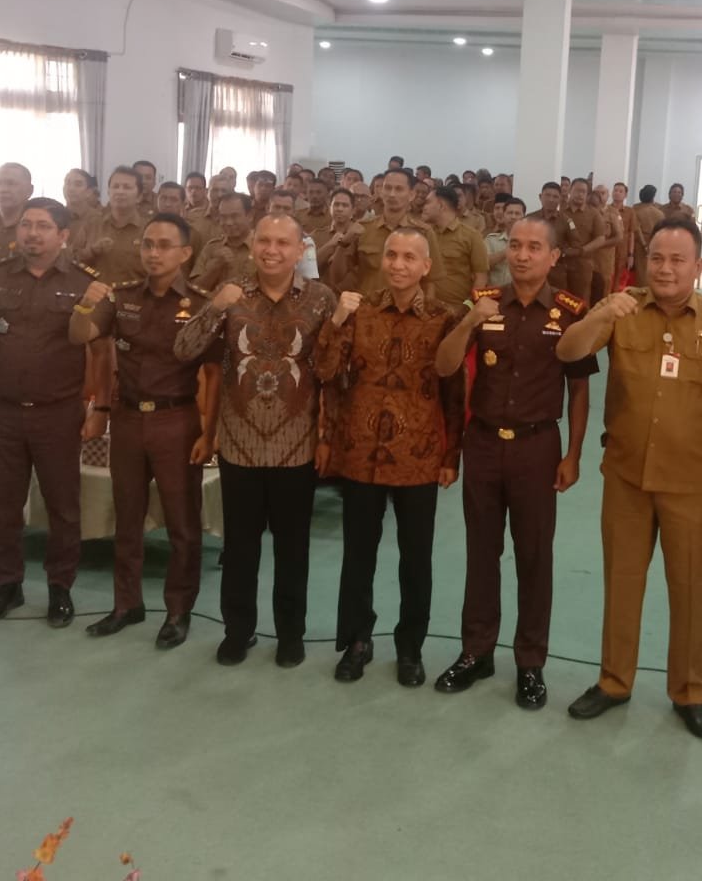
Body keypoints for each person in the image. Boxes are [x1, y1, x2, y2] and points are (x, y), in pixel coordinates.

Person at [559, 217, 702, 739]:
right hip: (626, 476)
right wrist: (601, 312)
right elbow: (568, 351)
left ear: (698, 265)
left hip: (693, 484)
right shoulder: (622, 311)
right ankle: (613, 682)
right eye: (657, 259)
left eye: (677, 260)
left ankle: (689, 692)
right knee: (621, 584)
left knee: (689, 589)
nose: (665, 269)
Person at [431, 216, 597, 710]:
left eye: (534, 248)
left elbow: (580, 389)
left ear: (553, 257)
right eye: (516, 246)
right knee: (481, 552)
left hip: (537, 447)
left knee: (534, 556)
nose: (522, 255)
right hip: (483, 443)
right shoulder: (483, 303)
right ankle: (476, 651)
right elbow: (444, 366)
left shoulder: (570, 312)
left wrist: (573, 454)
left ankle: (530, 662)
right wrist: (468, 321)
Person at [176, 213, 335, 665]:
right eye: (264, 240)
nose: (272, 250)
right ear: (251, 245)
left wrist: (327, 436)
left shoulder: (321, 299)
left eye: (283, 243)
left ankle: (290, 634)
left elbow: (332, 373)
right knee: (240, 549)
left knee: (293, 549)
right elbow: (184, 350)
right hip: (239, 444)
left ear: (300, 250)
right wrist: (215, 307)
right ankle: (238, 630)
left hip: (296, 446)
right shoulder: (232, 293)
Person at [0, 198, 105, 628]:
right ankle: (8, 585)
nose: (32, 233)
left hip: (58, 413)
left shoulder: (85, 282)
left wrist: (99, 408)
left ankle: (60, 588)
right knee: (4, 505)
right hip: (2, 412)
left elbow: (97, 348)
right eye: (27, 225)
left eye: (44, 226)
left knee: (63, 507)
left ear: (63, 235)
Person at [317, 228, 464, 686]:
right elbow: (325, 370)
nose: (398, 264)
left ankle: (410, 647)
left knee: (415, 559)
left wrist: (452, 454)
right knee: (358, 556)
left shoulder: (444, 318)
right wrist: (336, 319)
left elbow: (455, 393)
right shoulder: (360, 311)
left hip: (418, 456)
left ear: (426, 266)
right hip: (361, 453)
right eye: (391, 255)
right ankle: (357, 640)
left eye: (409, 257)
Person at [70, 213, 219, 648]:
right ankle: (126, 604)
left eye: (164, 245)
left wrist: (210, 432)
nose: (154, 253)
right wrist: (83, 304)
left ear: (185, 253)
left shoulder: (201, 303)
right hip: (129, 418)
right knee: (127, 517)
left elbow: (214, 374)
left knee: (182, 524)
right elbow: (81, 336)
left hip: (177, 420)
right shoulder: (121, 297)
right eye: (148, 244)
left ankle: (178, 611)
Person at [355, 167, 444, 298]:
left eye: (399, 189)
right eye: (387, 188)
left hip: (407, 307)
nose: (392, 194)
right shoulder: (362, 229)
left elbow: (430, 281)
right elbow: (342, 274)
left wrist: (426, 307)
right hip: (368, 305)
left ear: (411, 195)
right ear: (381, 192)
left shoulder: (423, 232)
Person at [70, 166, 146, 284]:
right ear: (108, 192)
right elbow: (71, 260)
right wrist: (92, 251)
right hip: (94, 293)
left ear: (139, 196)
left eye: (127, 187)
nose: (120, 191)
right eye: (115, 186)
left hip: (135, 294)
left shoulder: (148, 229)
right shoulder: (92, 225)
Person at [422, 184, 489, 306]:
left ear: (441, 205)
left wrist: (468, 307)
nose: (424, 207)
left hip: (457, 309)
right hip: (423, 308)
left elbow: (481, 279)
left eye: (428, 202)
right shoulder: (423, 236)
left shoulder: (471, 236)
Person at [192, 192, 255, 289]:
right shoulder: (212, 247)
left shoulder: (262, 247)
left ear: (250, 216)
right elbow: (194, 289)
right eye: (223, 217)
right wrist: (215, 267)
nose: (228, 222)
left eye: (234, 216)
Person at [314, 188, 362, 293]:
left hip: (350, 294)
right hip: (320, 293)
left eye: (345, 205)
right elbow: (309, 267)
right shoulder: (317, 235)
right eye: (336, 204)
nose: (340, 209)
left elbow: (361, 270)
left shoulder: (360, 235)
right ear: (329, 207)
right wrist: (330, 245)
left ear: (353, 210)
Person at [629, 185, 662, 283]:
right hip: (656, 243)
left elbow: (636, 229)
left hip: (639, 245)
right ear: (653, 196)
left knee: (640, 273)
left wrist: (644, 245)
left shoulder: (635, 209)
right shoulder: (659, 212)